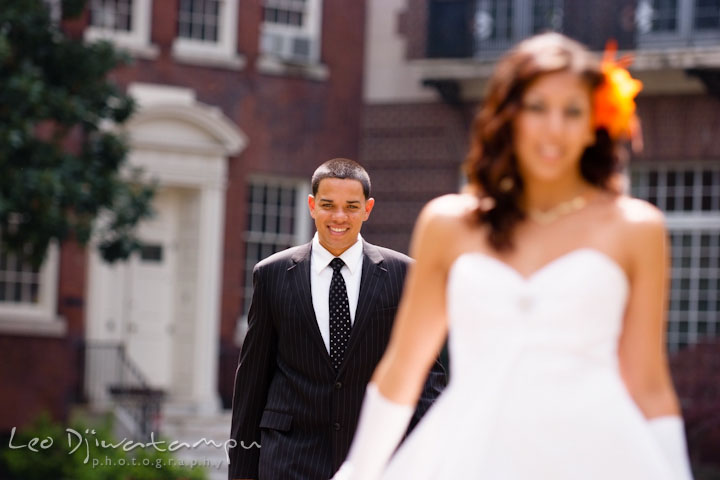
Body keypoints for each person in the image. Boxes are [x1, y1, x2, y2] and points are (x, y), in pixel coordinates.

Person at [333, 33, 694, 480]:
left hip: (599, 454)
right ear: (510, 117)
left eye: (572, 111)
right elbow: (404, 367)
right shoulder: (448, 223)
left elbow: (649, 383)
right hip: (470, 452)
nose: (553, 128)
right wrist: (358, 470)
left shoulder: (636, 228)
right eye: (537, 107)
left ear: (594, 124)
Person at [228, 158, 447, 480]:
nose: (339, 217)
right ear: (312, 205)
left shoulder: (404, 275)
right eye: (328, 205)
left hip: (374, 458)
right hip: (288, 458)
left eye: (351, 206)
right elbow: (252, 381)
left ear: (368, 209)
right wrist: (241, 472)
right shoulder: (272, 274)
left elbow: (427, 375)